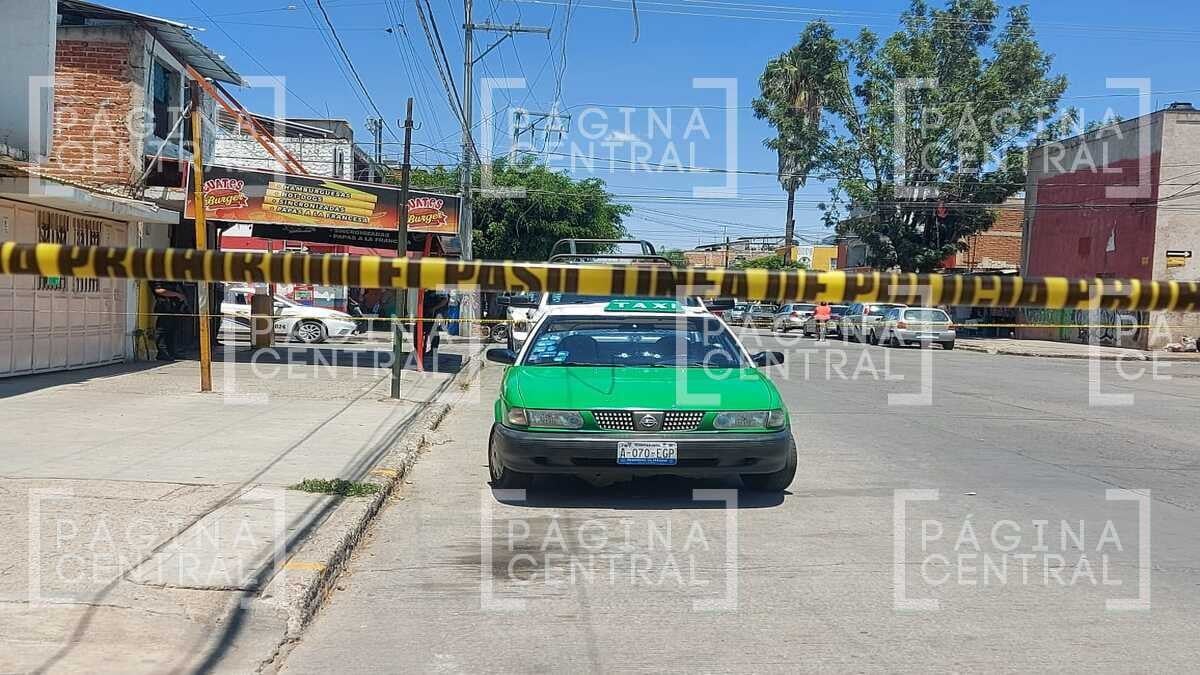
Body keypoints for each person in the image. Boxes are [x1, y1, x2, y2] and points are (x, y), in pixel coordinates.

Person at [151, 279, 188, 360]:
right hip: (165, 306)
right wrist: (178, 295)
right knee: (162, 331)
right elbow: (158, 290)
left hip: (175, 307)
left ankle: (172, 352)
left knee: (173, 331)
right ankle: (162, 353)